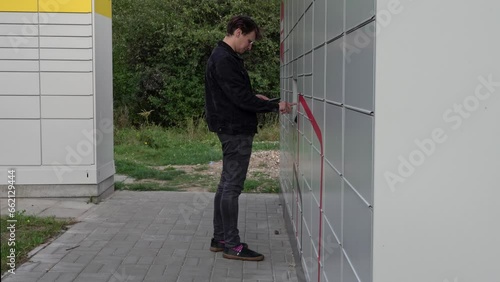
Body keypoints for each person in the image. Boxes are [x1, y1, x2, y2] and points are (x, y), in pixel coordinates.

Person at [204, 15, 294, 261]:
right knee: (232, 186)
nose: (250, 46)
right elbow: (240, 100)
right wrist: (276, 106)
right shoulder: (224, 59)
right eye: (250, 41)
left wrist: (257, 98)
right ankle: (232, 245)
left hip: (230, 127)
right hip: (235, 130)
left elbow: (235, 93)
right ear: (238, 32)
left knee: (225, 185)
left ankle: (220, 238)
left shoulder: (224, 57)